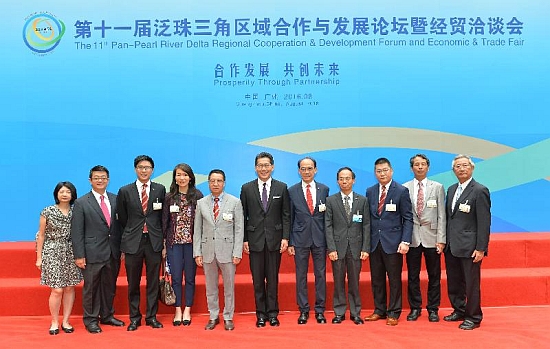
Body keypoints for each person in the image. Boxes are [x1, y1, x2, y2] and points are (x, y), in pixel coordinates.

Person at [71, 165, 124, 334]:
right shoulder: (81, 202)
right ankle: (91, 319)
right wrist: (79, 255)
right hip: (92, 252)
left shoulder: (116, 199)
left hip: (113, 251)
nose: (100, 180)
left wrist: (122, 248)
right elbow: (77, 231)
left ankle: (107, 315)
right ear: (90, 180)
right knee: (91, 288)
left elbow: (121, 226)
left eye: (103, 178)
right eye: (96, 178)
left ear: (108, 180)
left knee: (110, 286)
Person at [240, 151, 290, 327]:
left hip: (275, 240)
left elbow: (286, 215)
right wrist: (244, 239)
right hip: (254, 241)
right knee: (258, 280)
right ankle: (260, 314)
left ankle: (273, 313)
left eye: (266, 165)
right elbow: (242, 216)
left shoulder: (281, 187)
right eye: (260, 165)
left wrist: (285, 237)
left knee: (273, 279)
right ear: (255, 168)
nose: (263, 168)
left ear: (272, 167)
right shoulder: (246, 188)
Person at [117, 155, 166, 331]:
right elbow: (122, 218)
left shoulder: (160, 189)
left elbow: (161, 217)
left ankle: (151, 316)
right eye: (140, 167)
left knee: (153, 281)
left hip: (153, 241)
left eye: (147, 167)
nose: (144, 170)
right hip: (133, 242)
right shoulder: (125, 191)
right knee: (133, 282)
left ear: (152, 170)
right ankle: (134, 318)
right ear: (135, 169)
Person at [444, 154, 491, 330]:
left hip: (470, 246)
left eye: (465, 165)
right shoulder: (451, 189)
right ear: (453, 170)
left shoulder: (480, 190)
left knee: (471, 284)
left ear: (471, 168)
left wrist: (481, 248)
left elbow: (484, 222)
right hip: (452, 245)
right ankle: (459, 310)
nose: (461, 169)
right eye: (458, 166)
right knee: (455, 281)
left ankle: (474, 317)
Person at [364, 158, 413, 326]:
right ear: (375, 173)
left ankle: (394, 312)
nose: (382, 173)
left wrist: (405, 240)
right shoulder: (370, 191)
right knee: (376, 278)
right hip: (374, 243)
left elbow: (408, 218)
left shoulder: (401, 191)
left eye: (385, 170)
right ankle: (379, 310)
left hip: (393, 243)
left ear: (391, 171)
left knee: (394, 279)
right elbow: (368, 219)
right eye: (379, 171)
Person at [194, 169, 244, 331]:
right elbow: (197, 230)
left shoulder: (234, 202)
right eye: (212, 181)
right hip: (208, 251)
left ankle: (228, 316)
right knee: (211, 287)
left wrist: (237, 252)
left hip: (228, 252)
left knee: (229, 287)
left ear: (224, 183)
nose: (215, 184)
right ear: (208, 183)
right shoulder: (201, 203)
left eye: (219, 181)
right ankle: (213, 316)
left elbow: (239, 229)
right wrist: (197, 252)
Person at [403, 154, 446, 322]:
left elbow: (442, 215)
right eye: (416, 164)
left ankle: (433, 309)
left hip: (432, 237)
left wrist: (441, 239)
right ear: (411, 168)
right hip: (412, 237)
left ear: (428, 167)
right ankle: (415, 308)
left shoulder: (437, 187)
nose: (420, 167)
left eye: (423, 164)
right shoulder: (404, 188)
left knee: (434, 275)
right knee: (413, 275)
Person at [36, 181, 82, 335]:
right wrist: (39, 257)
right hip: (52, 251)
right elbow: (41, 235)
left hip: (71, 251)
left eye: (68, 192)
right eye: (61, 191)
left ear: (72, 194)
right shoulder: (47, 211)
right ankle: (54, 321)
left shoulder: (77, 211)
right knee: (57, 290)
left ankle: (66, 321)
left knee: (69, 287)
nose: (64, 194)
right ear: (56, 194)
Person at [287, 157, 330, 324]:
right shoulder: (292, 191)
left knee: (320, 275)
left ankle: (320, 310)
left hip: (320, 238)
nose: (306, 171)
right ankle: (303, 310)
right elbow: (289, 217)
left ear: (315, 170)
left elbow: (327, 217)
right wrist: (290, 241)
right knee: (301, 276)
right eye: (303, 169)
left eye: (309, 168)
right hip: (300, 239)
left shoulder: (324, 190)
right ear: (299, 171)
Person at [325, 167, 370, 325]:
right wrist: (331, 249)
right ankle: (339, 312)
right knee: (338, 281)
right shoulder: (331, 200)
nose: (345, 181)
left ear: (353, 180)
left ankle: (355, 312)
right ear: (337, 181)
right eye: (341, 179)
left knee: (354, 282)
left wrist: (365, 248)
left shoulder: (362, 200)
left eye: (348, 178)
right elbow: (328, 226)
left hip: (356, 248)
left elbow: (366, 226)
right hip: (337, 248)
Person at [161, 163, 203, 326]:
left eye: (185, 175)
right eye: (179, 175)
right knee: (176, 278)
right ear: (175, 177)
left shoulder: (198, 195)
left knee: (190, 278)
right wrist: (164, 244)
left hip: (192, 244)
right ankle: (178, 309)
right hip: (174, 244)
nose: (182, 178)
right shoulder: (169, 196)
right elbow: (164, 221)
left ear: (190, 177)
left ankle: (188, 309)